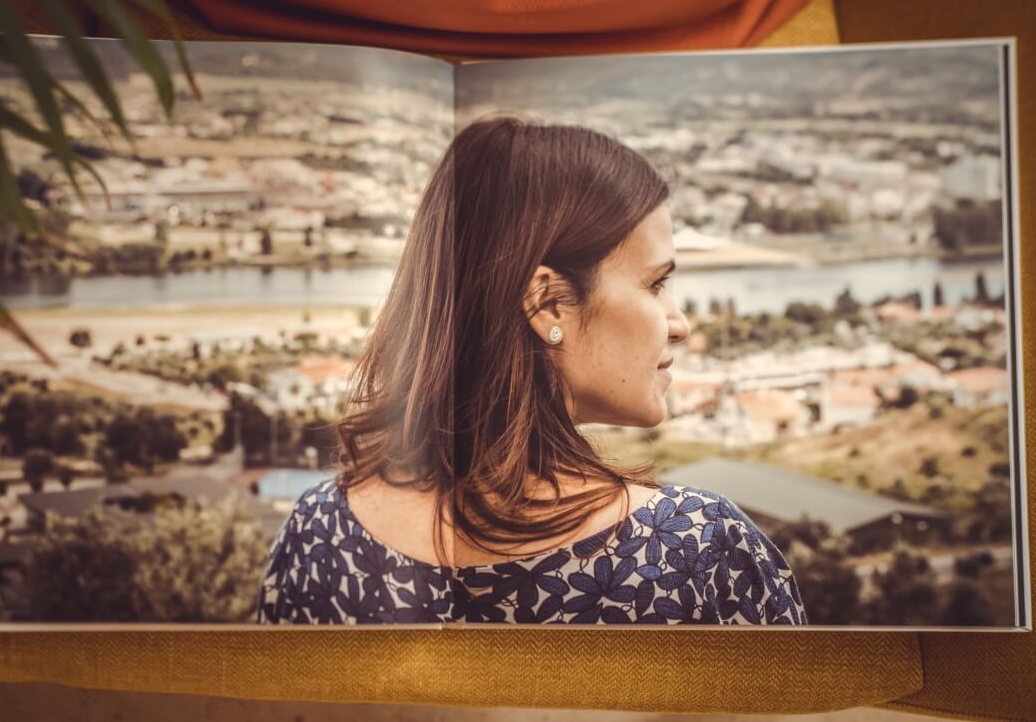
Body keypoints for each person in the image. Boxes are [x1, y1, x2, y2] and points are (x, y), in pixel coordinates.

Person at [255, 116, 807, 625]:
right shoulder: (697, 552)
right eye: (656, 283)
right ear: (548, 305)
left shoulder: (318, 532)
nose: (680, 323)